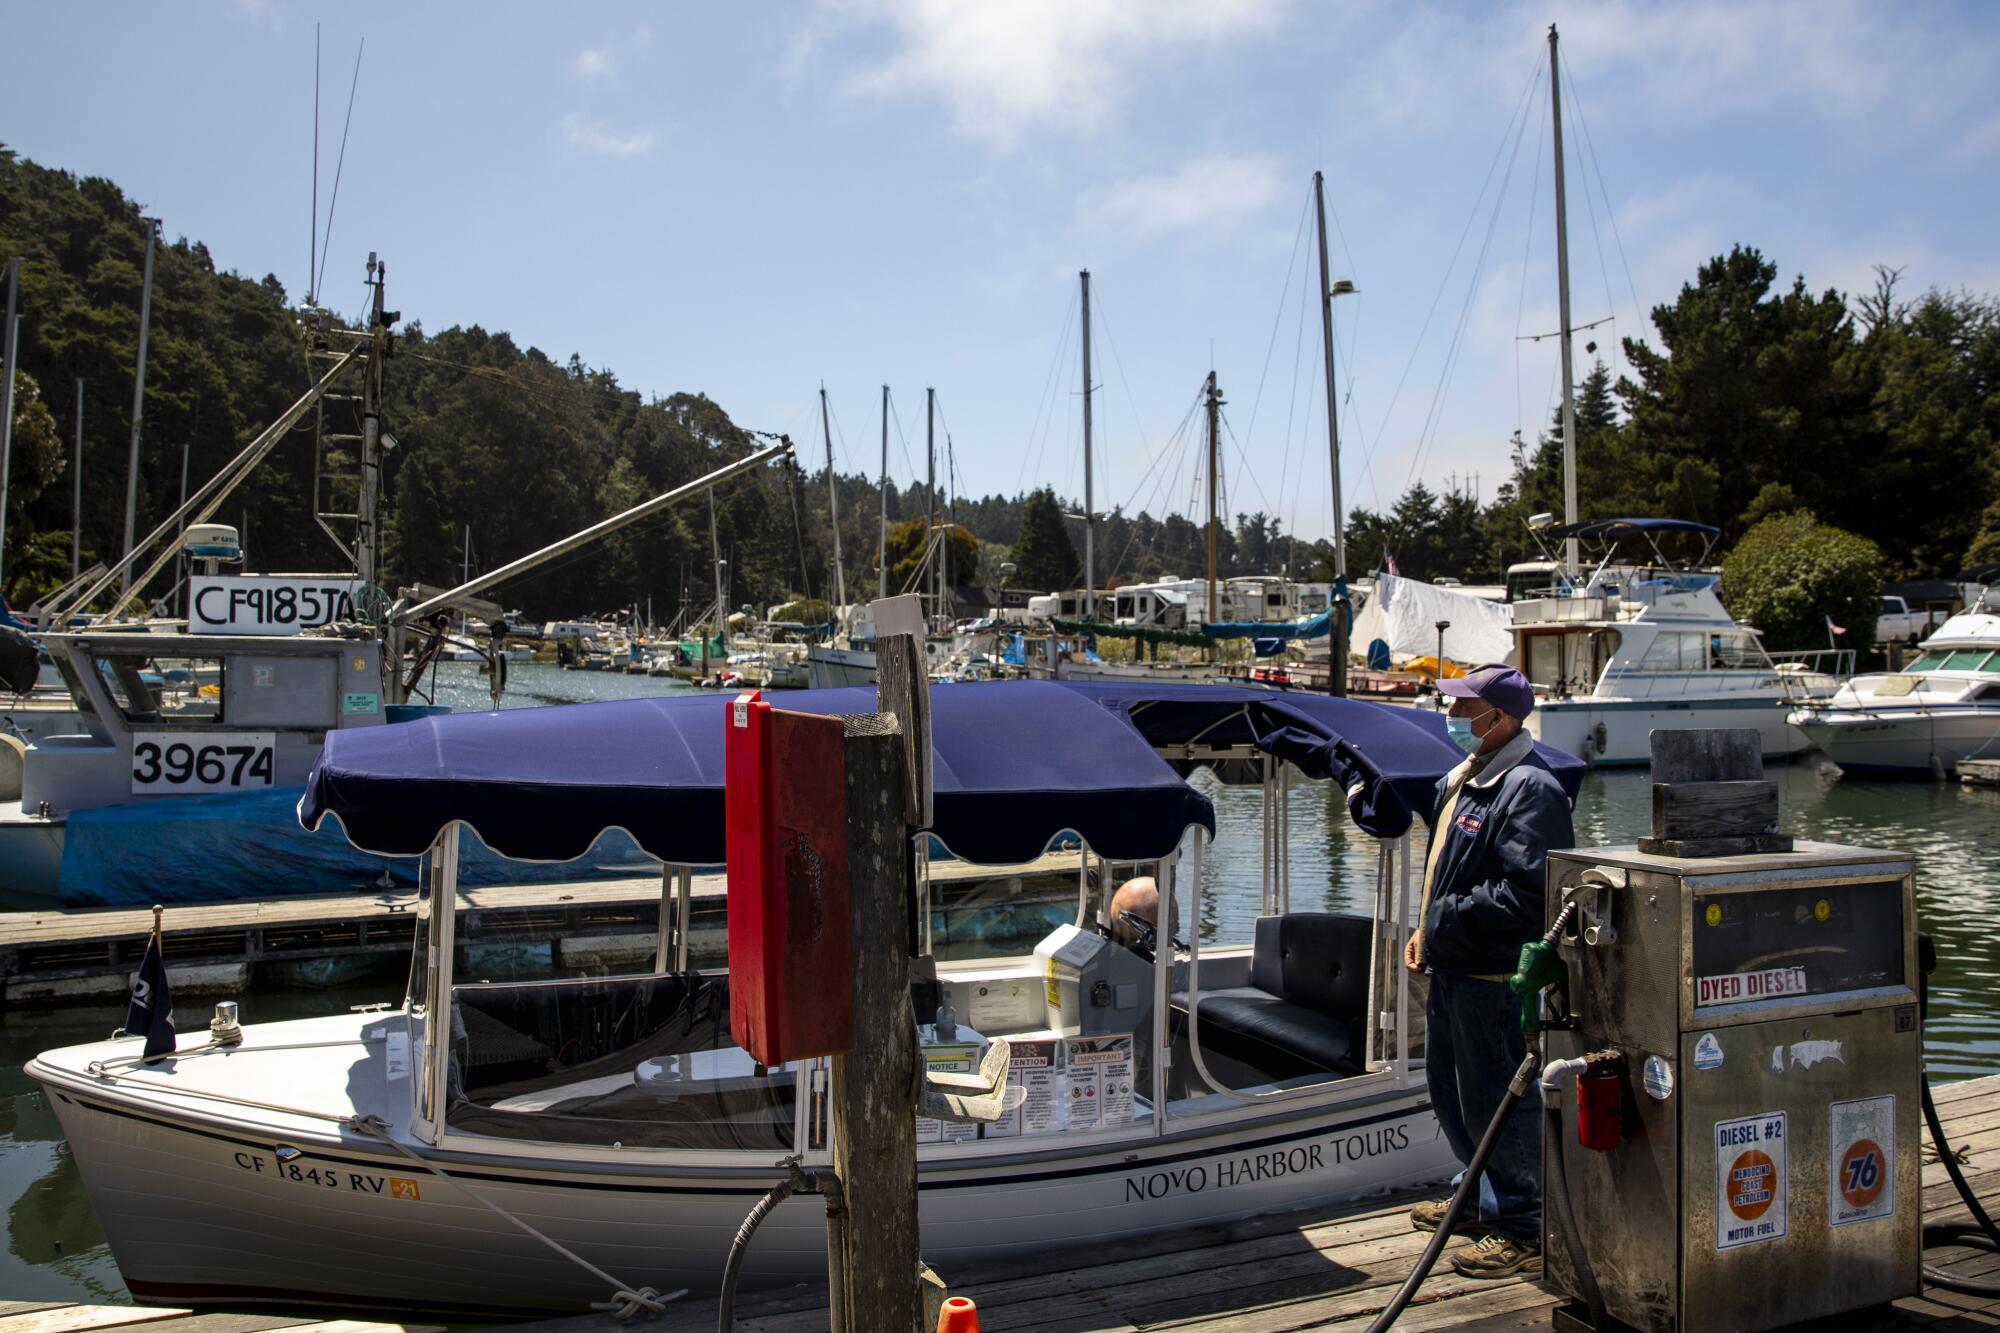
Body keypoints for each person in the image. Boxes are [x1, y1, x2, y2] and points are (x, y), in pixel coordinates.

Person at [1403, 662, 1573, 1279]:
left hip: (1493, 978)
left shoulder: (1530, 788)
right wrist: (1429, 931)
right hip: (1455, 966)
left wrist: (1444, 919)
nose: (1451, 717)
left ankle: (1524, 1223)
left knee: (1496, 1100)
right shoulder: (1468, 778)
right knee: (1450, 1092)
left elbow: (1531, 894)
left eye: (1462, 708)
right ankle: (1478, 1195)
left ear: (1496, 718)